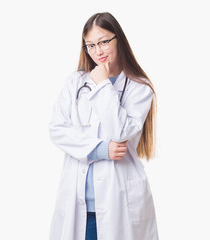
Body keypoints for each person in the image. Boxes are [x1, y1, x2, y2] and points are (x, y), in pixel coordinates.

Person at [49, 12, 159, 240]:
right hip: (79, 205)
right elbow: (57, 129)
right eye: (90, 45)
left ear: (119, 39)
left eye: (103, 42)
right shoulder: (76, 82)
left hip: (120, 201)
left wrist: (102, 85)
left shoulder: (140, 87)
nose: (97, 51)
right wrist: (101, 150)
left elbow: (119, 132)